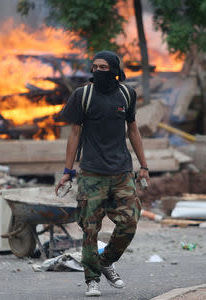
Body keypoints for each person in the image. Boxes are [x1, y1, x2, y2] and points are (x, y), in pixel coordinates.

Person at [55, 50, 150, 297]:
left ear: (115, 70)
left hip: (121, 171)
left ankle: (105, 261)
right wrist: (67, 171)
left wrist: (144, 166)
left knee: (129, 222)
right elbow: (74, 134)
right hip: (91, 173)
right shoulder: (82, 95)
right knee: (90, 228)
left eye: (103, 67)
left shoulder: (126, 94)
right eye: (94, 67)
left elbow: (133, 130)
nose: (97, 71)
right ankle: (92, 280)